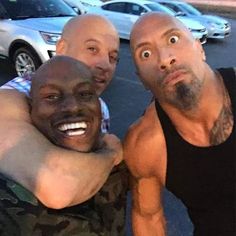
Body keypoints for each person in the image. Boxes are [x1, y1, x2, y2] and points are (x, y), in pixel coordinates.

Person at [0, 14, 128, 235]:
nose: (105, 64)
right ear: (61, 47)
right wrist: (111, 154)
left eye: (113, 57)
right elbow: (58, 185)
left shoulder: (100, 107)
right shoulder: (14, 96)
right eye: (92, 49)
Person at [124, 12, 235, 236]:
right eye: (146, 53)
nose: (164, 59)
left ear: (199, 48)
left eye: (173, 39)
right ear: (142, 79)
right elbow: (148, 217)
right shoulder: (145, 144)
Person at [0, 55, 107, 234]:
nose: (73, 107)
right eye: (52, 96)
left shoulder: (117, 171)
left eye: (85, 94)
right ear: (30, 107)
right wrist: (111, 154)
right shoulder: (8, 192)